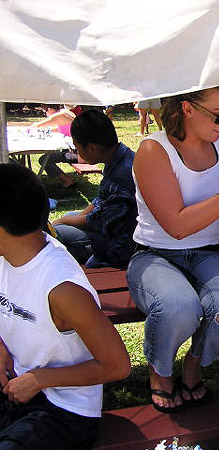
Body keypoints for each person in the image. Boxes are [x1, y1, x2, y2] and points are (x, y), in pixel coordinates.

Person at [126, 84, 219, 413]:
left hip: (207, 252)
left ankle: (194, 362)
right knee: (179, 306)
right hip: (155, 254)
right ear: (188, 108)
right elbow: (176, 227)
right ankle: (161, 371)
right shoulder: (154, 150)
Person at [0, 163, 130, 449]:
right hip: (17, 384)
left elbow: (118, 365)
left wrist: (39, 379)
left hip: (64, 410)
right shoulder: (7, 256)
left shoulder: (63, 289)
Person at [51, 110, 138, 268]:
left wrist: (64, 221)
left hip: (121, 243)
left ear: (92, 148)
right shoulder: (121, 156)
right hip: (112, 225)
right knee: (70, 216)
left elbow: (100, 221)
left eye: (77, 148)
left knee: (56, 232)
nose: (77, 152)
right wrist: (76, 217)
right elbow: (101, 199)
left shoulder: (121, 176)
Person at [31, 104, 84, 188]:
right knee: (47, 158)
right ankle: (66, 179)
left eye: (45, 111)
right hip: (77, 152)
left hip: (80, 155)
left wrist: (30, 128)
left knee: (44, 159)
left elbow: (38, 125)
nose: (46, 114)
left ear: (49, 109)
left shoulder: (61, 115)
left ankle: (67, 181)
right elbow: (60, 129)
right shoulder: (65, 114)